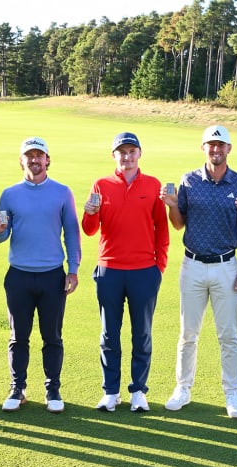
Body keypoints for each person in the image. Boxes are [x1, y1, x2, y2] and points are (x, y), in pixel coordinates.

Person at [161, 125, 237, 419]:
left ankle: (232, 392)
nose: (216, 150)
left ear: (229, 149)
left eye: (221, 145)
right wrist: (172, 206)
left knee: (228, 336)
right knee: (188, 333)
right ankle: (183, 388)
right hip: (193, 266)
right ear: (204, 148)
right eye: (211, 145)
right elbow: (178, 224)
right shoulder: (189, 181)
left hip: (226, 266)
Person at [0, 137, 81, 413]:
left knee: (52, 336)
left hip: (52, 275)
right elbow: (1, 236)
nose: (34, 160)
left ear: (47, 160)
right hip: (18, 275)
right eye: (29, 156)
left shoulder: (62, 192)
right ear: (21, 161)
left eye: (39, 155)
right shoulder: (9, 194)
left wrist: (73, 269)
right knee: (19, 336)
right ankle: (17, 389)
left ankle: (53, 390)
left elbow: (72, 233)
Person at [82, 132, 169, 413]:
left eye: (132, 151)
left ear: (139, 154)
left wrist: (159, 267)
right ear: (114, 156)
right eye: (122, 152)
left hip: (144, 271)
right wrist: (90, 212)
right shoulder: (101, 185)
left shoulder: (153, 185)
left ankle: (138, 391)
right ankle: (111, 391)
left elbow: (162, 231)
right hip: (110, 269)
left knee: (141, 333)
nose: (127, 156)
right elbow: (89, 229)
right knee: (110, 334)